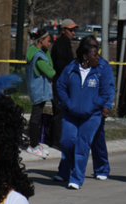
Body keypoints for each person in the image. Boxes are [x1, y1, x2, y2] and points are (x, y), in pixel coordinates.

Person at [55, 40, 113, 189]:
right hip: (71, 114)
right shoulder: (70, 70)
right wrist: (67, 103)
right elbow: (60, 86)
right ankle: (67, 169)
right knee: (67, 142)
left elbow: (106, 91)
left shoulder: (101, 70)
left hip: (92, 115)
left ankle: (76, 179)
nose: (98, 58)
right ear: (85, 57)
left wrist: (96, 105)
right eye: (94, 55)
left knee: (82, 145)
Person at [81, 35, 115, 180]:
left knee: (97, 139)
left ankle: (101, 168)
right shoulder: (76, 65)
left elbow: (109, 88)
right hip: (79, 109)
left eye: (96, 47)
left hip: (96, 110)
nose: (95, 51)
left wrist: (106, 106)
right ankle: (68, 169)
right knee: (73, 140)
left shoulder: (103, 66)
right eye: (91, 47)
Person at [25, 29, 55, 158]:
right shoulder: (39, 57)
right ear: (41, 40)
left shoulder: (34, 52)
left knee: (36, 116)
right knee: (35, 118)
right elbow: (50, 71)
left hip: (35, 89)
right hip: (39, 90)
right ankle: (33, 145)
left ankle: (35, 143)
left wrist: (46, 50)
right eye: (48, 41)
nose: (50, 43)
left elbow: (50, 65)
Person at [50, 19, 78, 148]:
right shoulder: (60, 44)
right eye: (70, 30)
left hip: (66, 83)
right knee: (59, 112)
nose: (73, 33)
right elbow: (61, 66)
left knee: (65, 111)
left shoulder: (67, 44)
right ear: (63, 30)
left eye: (74, 30)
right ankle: (57, 141)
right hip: (60, 83)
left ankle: (62, 138)